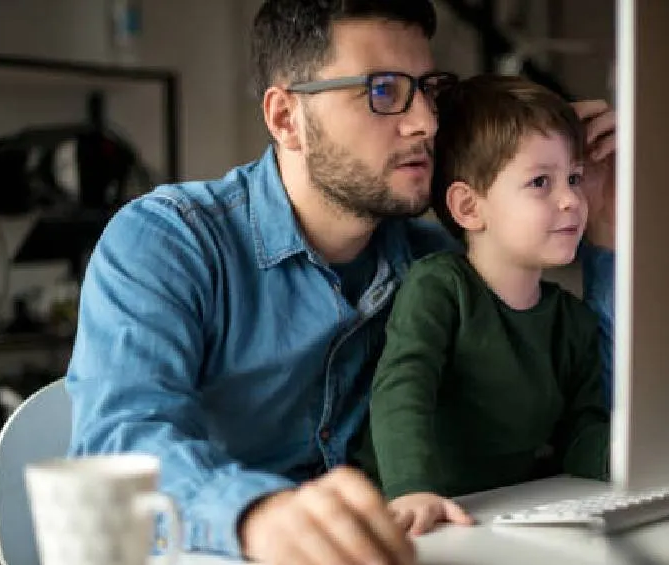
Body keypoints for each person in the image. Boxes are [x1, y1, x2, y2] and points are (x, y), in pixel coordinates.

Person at [64, 0, 617, 564]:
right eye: (383, 90)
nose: (426, 123)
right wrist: (256, 514)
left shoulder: (441, 264)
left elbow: (598, 406)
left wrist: (606, 226)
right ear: (286, 118)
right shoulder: (171, 241)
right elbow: (121, 444)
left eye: (428, 90)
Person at [364, 75, 610, 537]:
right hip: (413, 519)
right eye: (541, 182)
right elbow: (402, 388)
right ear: (468, 207)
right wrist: (412, 489)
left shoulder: (572, 320)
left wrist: (641, 458)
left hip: (500, 516)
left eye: (574, 178)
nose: (571, 200)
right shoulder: (439, 287)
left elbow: (580, 434)